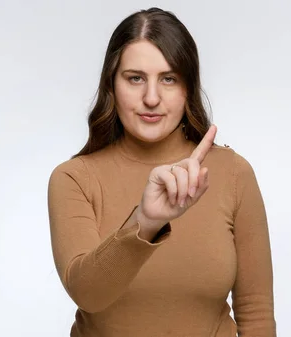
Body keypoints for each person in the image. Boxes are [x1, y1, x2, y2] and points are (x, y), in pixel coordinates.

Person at [48, 7, 276, 337]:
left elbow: (256, 312)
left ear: (188, 88)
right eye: (135, 78)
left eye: (168, 79)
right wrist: (146, 221)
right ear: (112, 86)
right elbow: (88, 295)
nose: (151, 98)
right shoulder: (74, 179)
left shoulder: (233, 173)